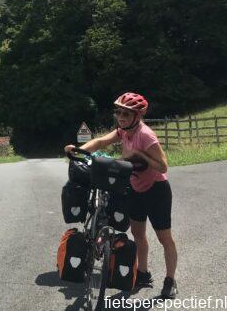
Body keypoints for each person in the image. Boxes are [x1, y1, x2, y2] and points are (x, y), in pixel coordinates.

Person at [64, 92, 178, 299]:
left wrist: (140, 155)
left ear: (137, 116)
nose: (121, 117)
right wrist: (78, 150)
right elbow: (100, 142)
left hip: (157, 189)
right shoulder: (124, 131)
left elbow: (163, 166)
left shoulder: (146, 136)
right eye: (119, 112)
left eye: (126, 114)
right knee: (138, 234)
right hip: (135, 188)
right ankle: (143, 273)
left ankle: (170, 280)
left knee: (164, 238)